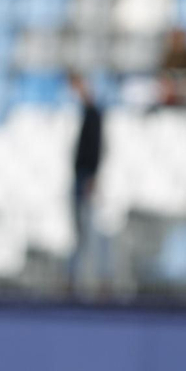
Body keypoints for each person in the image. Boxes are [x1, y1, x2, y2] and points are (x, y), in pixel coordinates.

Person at [68, 71, 106, 294]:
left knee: (89, 229)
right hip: (78, 176)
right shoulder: (81, 114)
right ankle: (76, 277)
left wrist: (92, 175)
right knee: (79, 231)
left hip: (85, 178)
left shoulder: (93, 115)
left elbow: (96, 149)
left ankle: (98, 278)